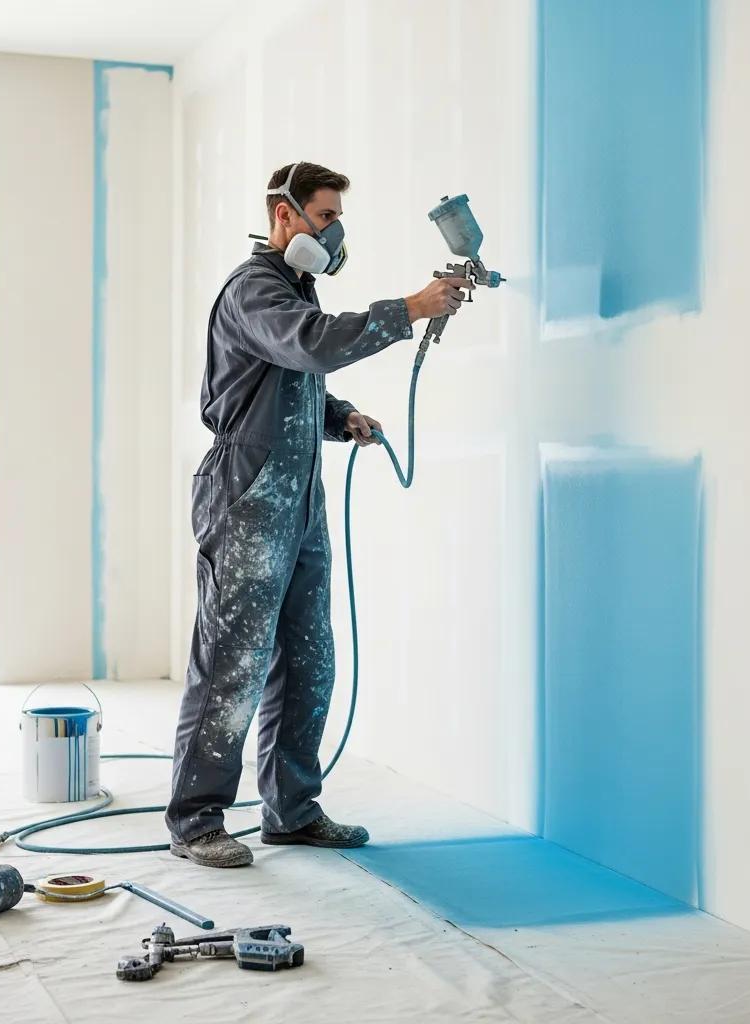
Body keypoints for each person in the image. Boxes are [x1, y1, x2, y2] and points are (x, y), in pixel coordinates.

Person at [165, 161, 472, 867]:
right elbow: (310, 344)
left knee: (308, 659)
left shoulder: (292, 290)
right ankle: (195, 821)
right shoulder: (255, 290)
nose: (335, 233)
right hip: (245, 494)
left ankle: (292, 811)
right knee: (232, 663)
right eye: (327, 217)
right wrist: (412, 308)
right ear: (285, 216)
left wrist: (339, 418)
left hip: (299, 498)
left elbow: (285, 381)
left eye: (337, 219)